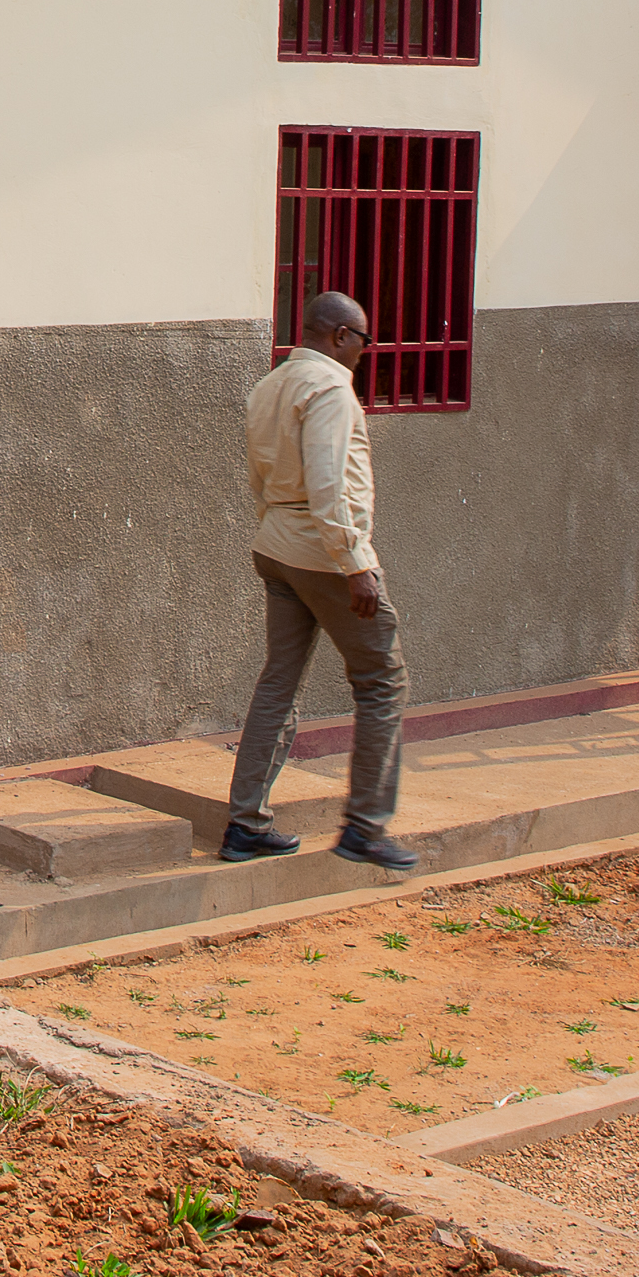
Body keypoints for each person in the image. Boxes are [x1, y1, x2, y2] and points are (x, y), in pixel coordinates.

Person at [220, 289, 417, 871]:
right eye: (363, 340)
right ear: (339, 335)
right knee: (383, 679)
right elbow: (329, 484)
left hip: (278, 545)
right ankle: (365, 828)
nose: (364, 351)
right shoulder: (329, 388)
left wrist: (279, 530)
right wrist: (355, 564)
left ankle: (245, 825)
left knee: (278, 683)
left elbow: (259, 477)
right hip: (325, 555)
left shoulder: (271, 385)